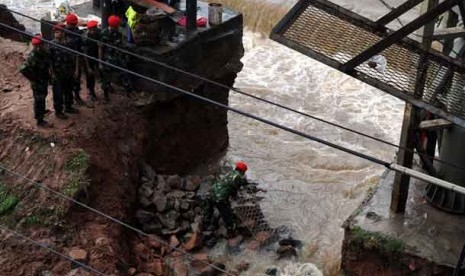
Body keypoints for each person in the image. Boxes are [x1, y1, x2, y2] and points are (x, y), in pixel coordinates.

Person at [202, 161, 264, 239]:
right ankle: (231, 231)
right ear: (242, 171)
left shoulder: (229, 173)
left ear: (236, 168)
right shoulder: (238, 176)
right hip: (220, 198)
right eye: (244, 172)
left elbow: (229, 185)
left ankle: (205, 224)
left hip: (210, 193)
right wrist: (258, 189)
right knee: (227, 214)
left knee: (208, 210)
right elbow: (242, 186)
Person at [19, 34, 53, 128]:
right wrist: (34, 78)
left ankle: (40, 112)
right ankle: (40, 120)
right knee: (39, 99)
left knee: (43, 96)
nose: (39, 47)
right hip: (37, 82)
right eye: (37, 45)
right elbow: (23, 69)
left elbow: (47, 64)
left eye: (41, 45)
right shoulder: (33, 56)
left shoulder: (44, 53)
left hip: (43, 79)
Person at [99, 15, 133, 102]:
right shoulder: (104, 33)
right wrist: (100, 62)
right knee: (106, 78)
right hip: (108, 59)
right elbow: (100, 48)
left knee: (125, 73)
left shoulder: (118, 33)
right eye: (117, 25)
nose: (119, 26)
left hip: (118, 57)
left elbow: (121, 45)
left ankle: (129, 92)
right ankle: (106, 95)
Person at [50, 23, 79, 119]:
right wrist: (52, 73)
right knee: (58, 93)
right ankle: (58, 111)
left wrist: (76, 70)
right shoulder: (52, 45)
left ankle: (68, 106)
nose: (56, 34)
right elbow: (50, 61)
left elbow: (76, 56)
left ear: (63, 32)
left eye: (58, 32)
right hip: (58, 73)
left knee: (69, 90)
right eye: (55, 32)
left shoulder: (70, 43)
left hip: (69, 71)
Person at [65, 13, 86, 105]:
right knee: (68, 81)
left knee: (77, 79)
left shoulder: (77, 33)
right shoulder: (64, 33)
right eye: (71, 25)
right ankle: (68, 100)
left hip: (76, 59)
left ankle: (77, 96)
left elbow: (81, 47)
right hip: (66, 60)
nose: (72, 26)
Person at [82, 20, 101, 102]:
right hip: (89, 58)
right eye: (91, 30)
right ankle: (91, 91)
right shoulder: (85, 38)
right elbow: (85, 53)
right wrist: (88, 67)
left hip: (97, 55)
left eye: (94, 29)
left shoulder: (98, 34)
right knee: (90, 76)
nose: (93, 31)